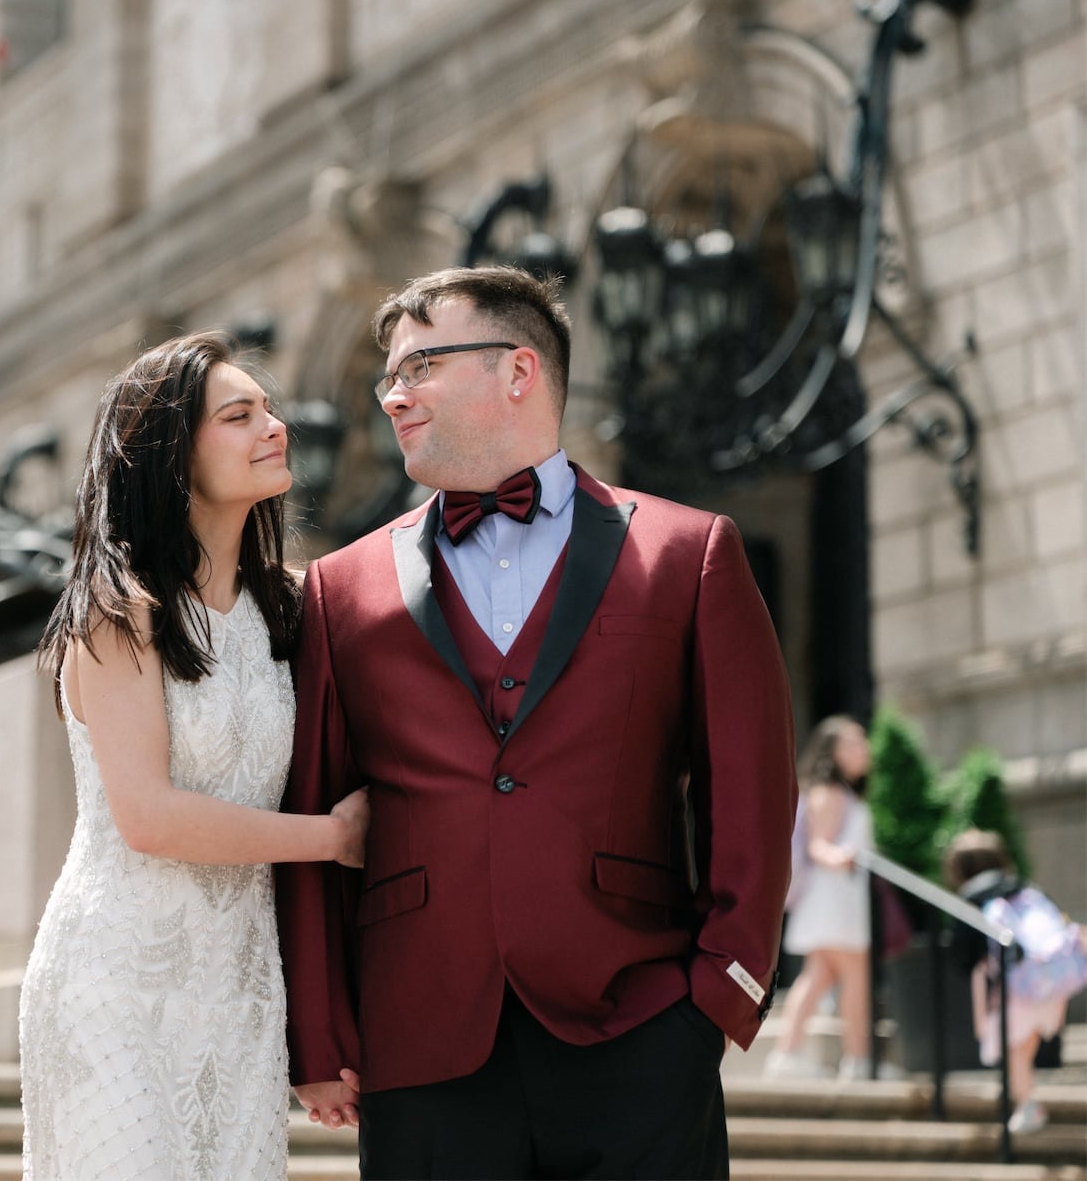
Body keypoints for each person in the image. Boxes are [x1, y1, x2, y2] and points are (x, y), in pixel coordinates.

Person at [276, 266, 797, 1180]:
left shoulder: (688, 553)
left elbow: (750, 790)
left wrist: (723, 992)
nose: (392, 397)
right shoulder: (339, 588)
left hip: (639, 1025)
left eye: (421, 366)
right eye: (388, 376)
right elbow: (315, 802)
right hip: (421, 1040)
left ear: (518, 370)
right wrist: (320, 1032)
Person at [19, 331, 371, 1181]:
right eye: (239, 415)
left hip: (243, 989)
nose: (274, 427)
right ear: (170, 450)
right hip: (117, 982)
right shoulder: (118, 611)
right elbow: (149, 817)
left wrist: (318, 1029)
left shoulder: (287, 608)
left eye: (269, 410)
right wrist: (333, 838)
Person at [946, 828, 1087, 1134]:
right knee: (1024, 1048)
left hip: (1016, 992)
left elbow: (963, 957)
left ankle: (1027, 1104)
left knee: (1014, 1051)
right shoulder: (1026, 890)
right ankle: (1024, 1098)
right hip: (1050, 983)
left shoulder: (973, 900)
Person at [764, 715, 877, 1081]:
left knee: (817, 977)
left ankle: (787, 1055)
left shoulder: (835, 792)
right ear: (832, 752)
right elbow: (819, 846)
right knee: (853, 979)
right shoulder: (832, 793)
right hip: (835, 900)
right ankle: (858, 1061)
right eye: (852, 743)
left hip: (831, 900)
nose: (863, 749)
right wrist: (845, 858)